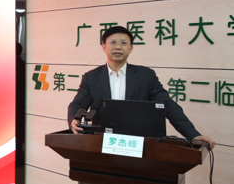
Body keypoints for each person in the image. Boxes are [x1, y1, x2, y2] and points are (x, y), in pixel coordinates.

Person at [67, 25, 216, 149]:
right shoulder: (91, 77)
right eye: (112, 42)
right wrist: (74, 120)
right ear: (103, 47)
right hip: (102, 143)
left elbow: (168, 105)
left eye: (123, 43)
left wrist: (193, 135)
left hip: (138, 145)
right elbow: (77, 104)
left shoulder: (146, 75)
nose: (118, 47)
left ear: (131, 48)